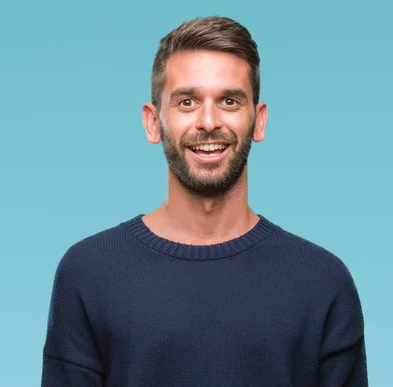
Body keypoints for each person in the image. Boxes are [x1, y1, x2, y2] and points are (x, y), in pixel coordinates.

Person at [41, 16, 368, 386]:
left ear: (258, 121)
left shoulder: (322, 281)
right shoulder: (89, 272)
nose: (208, 121)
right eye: (187, 101)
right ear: (153, 122)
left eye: (229, 100)